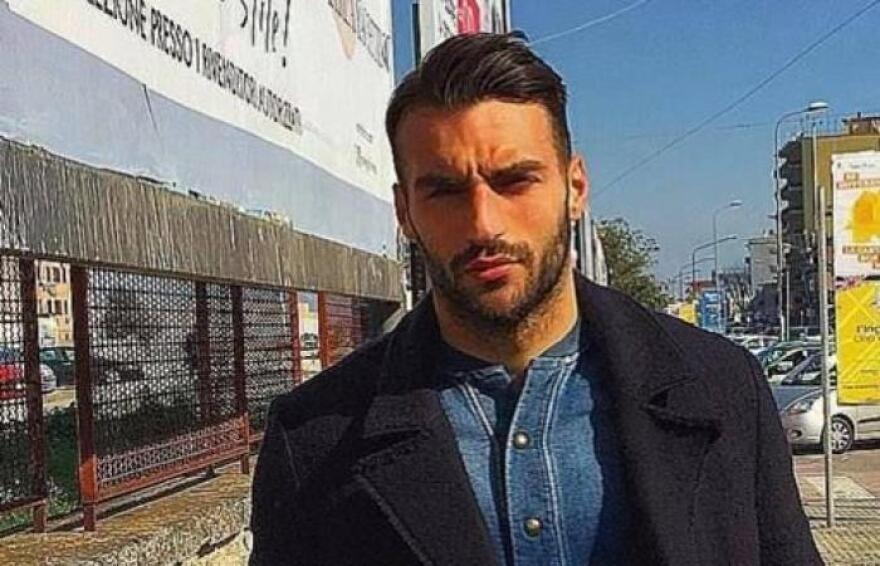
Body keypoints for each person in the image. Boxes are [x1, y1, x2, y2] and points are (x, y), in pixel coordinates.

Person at [250, 33, 821, 565]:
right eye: (445, 190)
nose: (484, 223)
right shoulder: (316, 439)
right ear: (405, 212)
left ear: (575, 188)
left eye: (514, 180)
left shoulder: (722, 388)